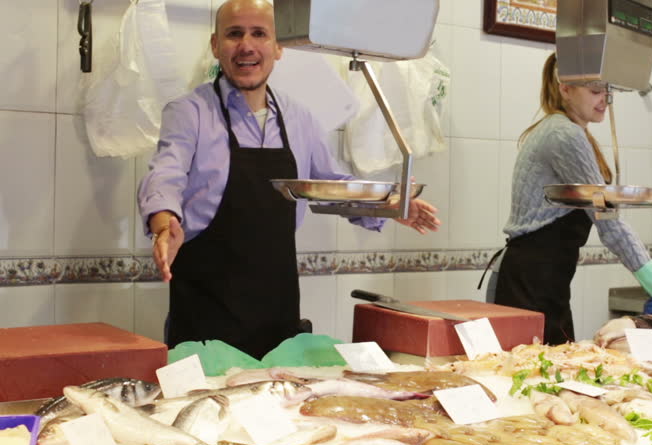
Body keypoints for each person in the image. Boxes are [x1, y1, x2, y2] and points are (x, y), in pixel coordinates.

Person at [137, 0, 440, 359]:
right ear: (216, 45)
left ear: (278, 47)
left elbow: (331, 186)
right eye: (234, 34)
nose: (247, 45)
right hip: (206, 324)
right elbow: (165, 174)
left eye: (259, 34)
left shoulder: (300, 119)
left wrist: (390, 207)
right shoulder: (189, 113)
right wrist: (163, 222)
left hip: (277, 320)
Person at [491, 53, 652, 345]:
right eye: (594, 90)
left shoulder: (567, 129)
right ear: (565, 89)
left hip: (542, 282)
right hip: (530, 286)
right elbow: (609, 224)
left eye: (607, 90)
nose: (604, 98)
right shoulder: (564, 134)